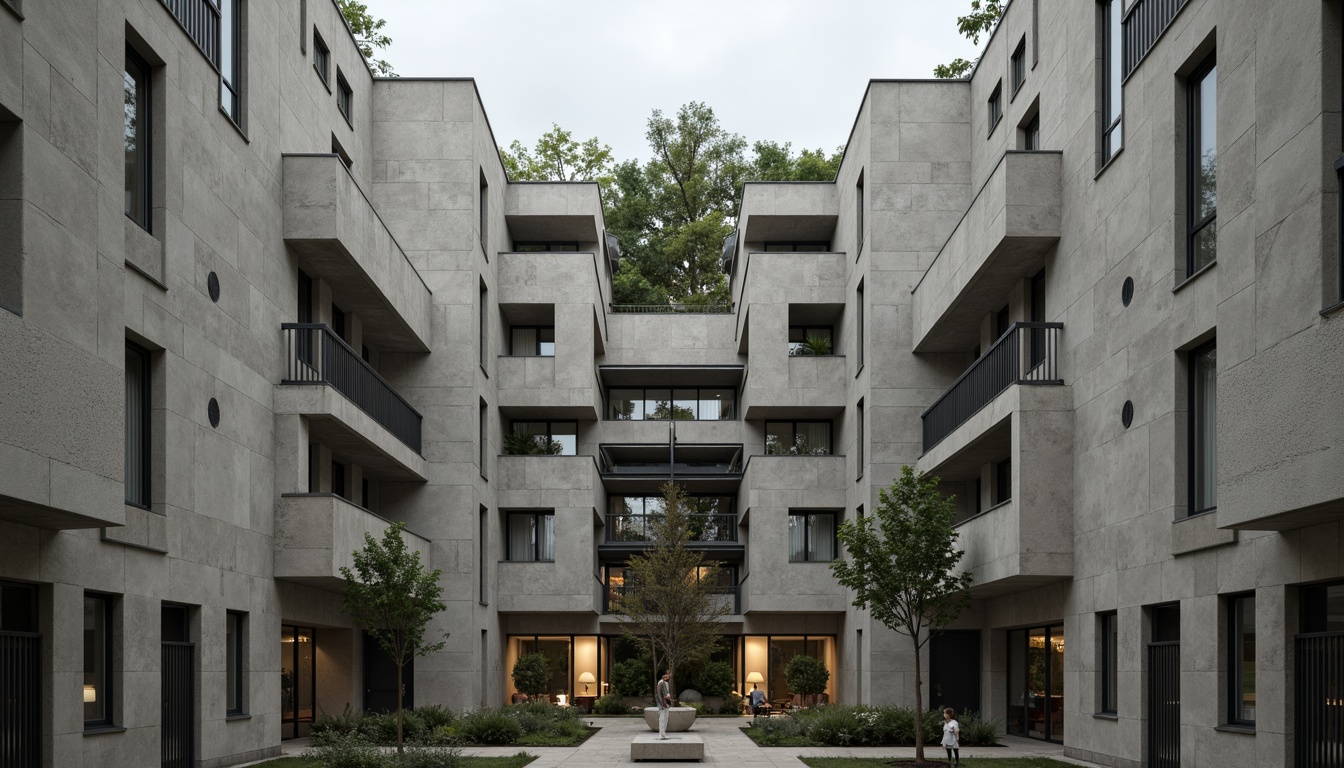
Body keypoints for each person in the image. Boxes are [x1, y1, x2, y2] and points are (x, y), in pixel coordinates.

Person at [656, 671, 673, 739]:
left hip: (666, 703)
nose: (669, 676)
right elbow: (659, 694)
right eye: (667, 674)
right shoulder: (661, 682)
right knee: (662, 718)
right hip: (662, 704)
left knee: (665, 718)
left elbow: (666, 693)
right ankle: (661, 733)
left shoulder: (665, 683)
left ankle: (663, 733)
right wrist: (663, 703)